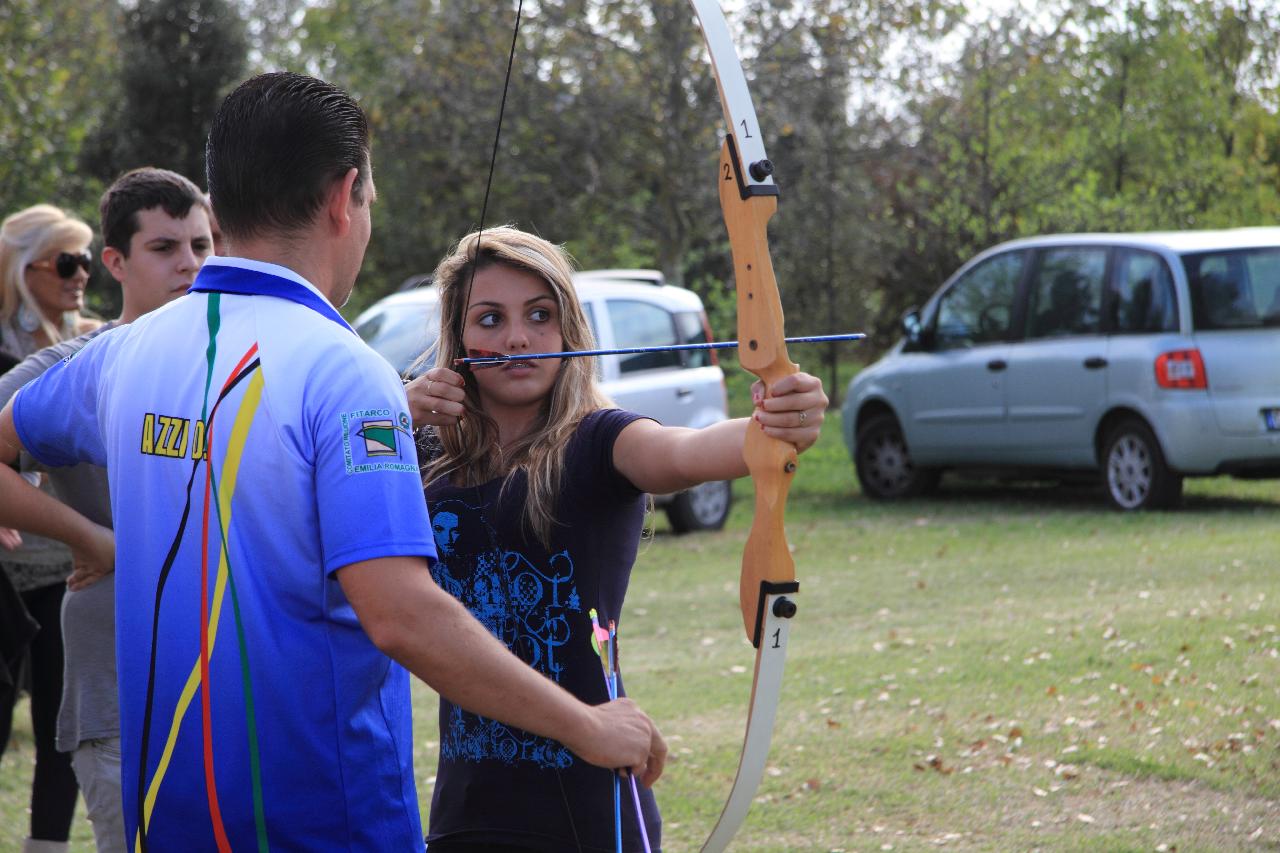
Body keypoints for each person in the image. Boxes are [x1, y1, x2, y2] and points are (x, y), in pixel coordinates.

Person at [0, 72, 663, 851]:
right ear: (345, 196)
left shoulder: (123, 352)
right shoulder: (346, 371)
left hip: (168, 824)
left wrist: (80, 537)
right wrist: (586, 725)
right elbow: (402, 614)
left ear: (217, 210)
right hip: (326, 825)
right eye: (370, 204)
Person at [404, 227, 828, 852]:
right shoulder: (426, 452)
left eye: (539, 316)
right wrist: (392, 410)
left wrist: (775, 424)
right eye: (489, 319)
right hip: (466, 807)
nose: (516, 337)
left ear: (568, 332)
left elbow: (685, 452)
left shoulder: (599, 442)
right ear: (457, 339)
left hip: (589, 800)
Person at [0, 167, 214, 853]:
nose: (190, 264)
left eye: (203, 246)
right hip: (124, 692)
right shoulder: (76, 363)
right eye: (166, 248)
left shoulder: (236, 358)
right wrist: (92, 536)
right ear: (116, 263)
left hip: (237, 691)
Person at [0, 203, 105, 853]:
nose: (81, 275)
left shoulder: (89, 342)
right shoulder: (16, 360)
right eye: (67, 262)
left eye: (88, 261)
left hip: (66, 569)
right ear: (23, 269)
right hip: (9, 574)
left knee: (59, 727)